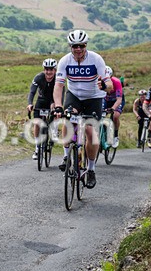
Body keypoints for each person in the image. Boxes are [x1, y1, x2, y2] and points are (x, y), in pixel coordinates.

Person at [52, 29, 112, 188]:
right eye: (74, 46)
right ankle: (66, 156)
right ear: (70, 46)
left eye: (81, 46)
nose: (78, 49)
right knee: (68, 122)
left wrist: (105, 86)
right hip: (74, 96)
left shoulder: (96, 59)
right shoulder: (65, 61)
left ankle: (91, 169)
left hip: (94, 97)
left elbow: (110, 85)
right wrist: (58, 105)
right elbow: (58, 86)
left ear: (86, 45)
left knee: (90, 132)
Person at [27, 58, 57, 159]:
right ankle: (37, 148)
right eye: (46, 69)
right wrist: (30, 104)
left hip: (53, 100)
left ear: (55, 70)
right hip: (41, 101)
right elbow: (32, 92)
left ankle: (54, 129)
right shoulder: (38, 78)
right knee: (37, 123)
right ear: (44, 70)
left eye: (51, 69)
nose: (49, 72)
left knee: (57, 113)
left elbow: (61, 93)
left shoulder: (58, 78)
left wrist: (56, 104)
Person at [101, 65, 123, 148]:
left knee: (115, 116)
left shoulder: (117, 82)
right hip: (105, 99)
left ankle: (115, 136)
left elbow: (119, 99)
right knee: (99, 115)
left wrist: (113, 108)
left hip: (116, 100)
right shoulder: (99, 82)